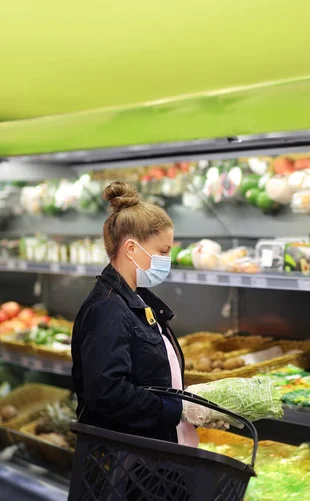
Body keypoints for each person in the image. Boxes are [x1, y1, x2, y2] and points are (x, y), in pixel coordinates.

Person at [71, 181, 228, 447]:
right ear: (131, 249)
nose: (167, 259)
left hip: (158, 455)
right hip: (131, 468)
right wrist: (177, 409)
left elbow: (148, 379)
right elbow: (108, 393)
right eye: (163, 251)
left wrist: (192, 404)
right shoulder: (107, 309)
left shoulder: (138, 299)